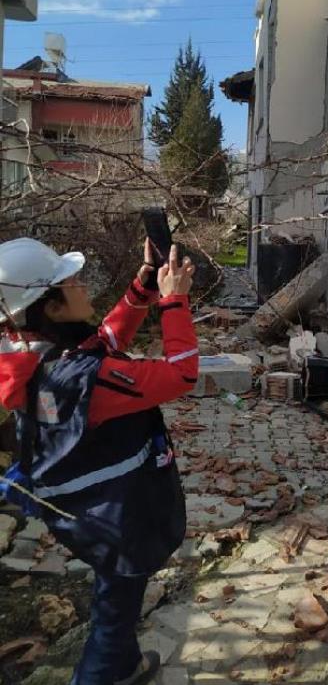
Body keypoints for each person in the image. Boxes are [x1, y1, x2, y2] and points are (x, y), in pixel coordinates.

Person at [0, 237, 198, 685]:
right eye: (72, 284)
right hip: (115, 522)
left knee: (118, 597)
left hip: (84, 511)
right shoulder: (87, 383)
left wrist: (143, 288)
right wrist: (174, 302)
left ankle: (126, 664)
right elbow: (182, 372)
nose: (85, 288)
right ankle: (104, 672)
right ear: (50, 308)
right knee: (114, 612)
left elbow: (102, 341)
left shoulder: (27, 356)